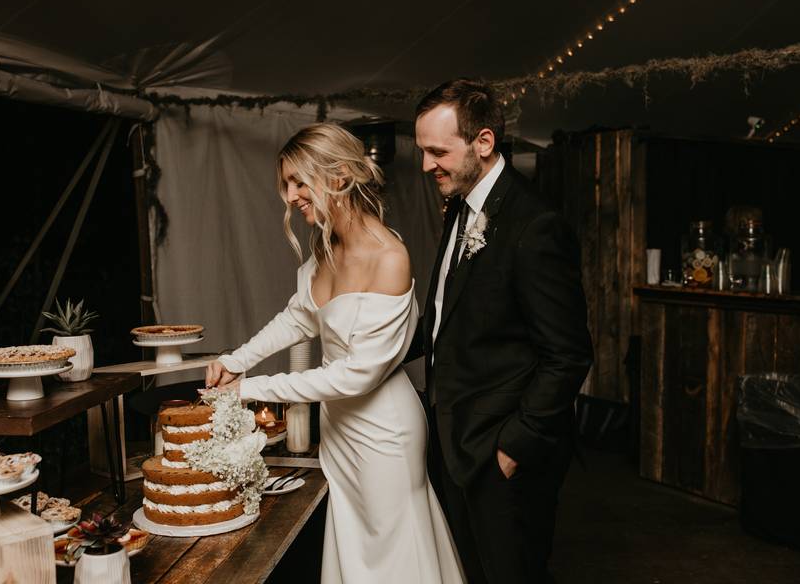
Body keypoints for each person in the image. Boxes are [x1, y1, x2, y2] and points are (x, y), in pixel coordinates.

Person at [205, 123, 464, 584]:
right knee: (353, 547)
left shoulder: (389, 256)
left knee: (390, 555)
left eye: (299, 182)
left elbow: (355, 376)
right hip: (340, 429)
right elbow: (298, 318)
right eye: (286, 184)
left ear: (340, 176)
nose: (289, 196)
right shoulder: (326, 247)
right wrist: (234, 360)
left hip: (384, 432)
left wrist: (252, 388)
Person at [409, 78, 594, 584]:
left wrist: (514, 448)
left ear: (483, 143)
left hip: (503, 454)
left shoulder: (535, 226)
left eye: (437, 151)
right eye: (423, 151)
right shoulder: (459, 208)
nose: (427, 165)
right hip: (454, 441)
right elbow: (447, 315)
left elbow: (569, 354)